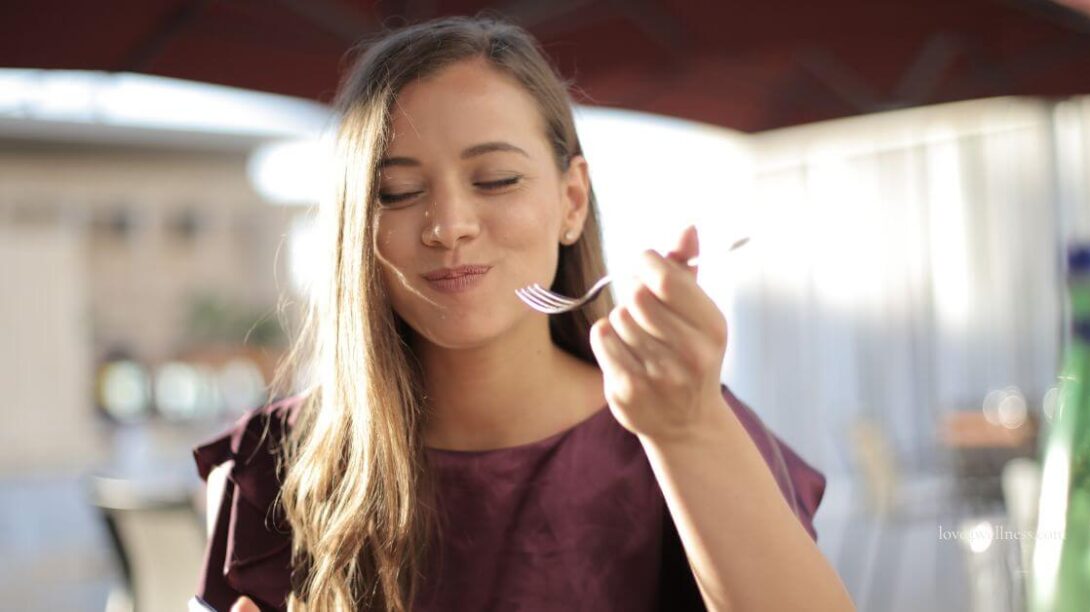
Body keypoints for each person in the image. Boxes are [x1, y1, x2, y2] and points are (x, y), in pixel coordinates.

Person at [193, 15, 853, 612]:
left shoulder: (680, 423)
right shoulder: (280, 460)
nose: (448, 225)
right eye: (397, 192)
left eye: (496, 180)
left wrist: (688, 430)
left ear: (572, 201)